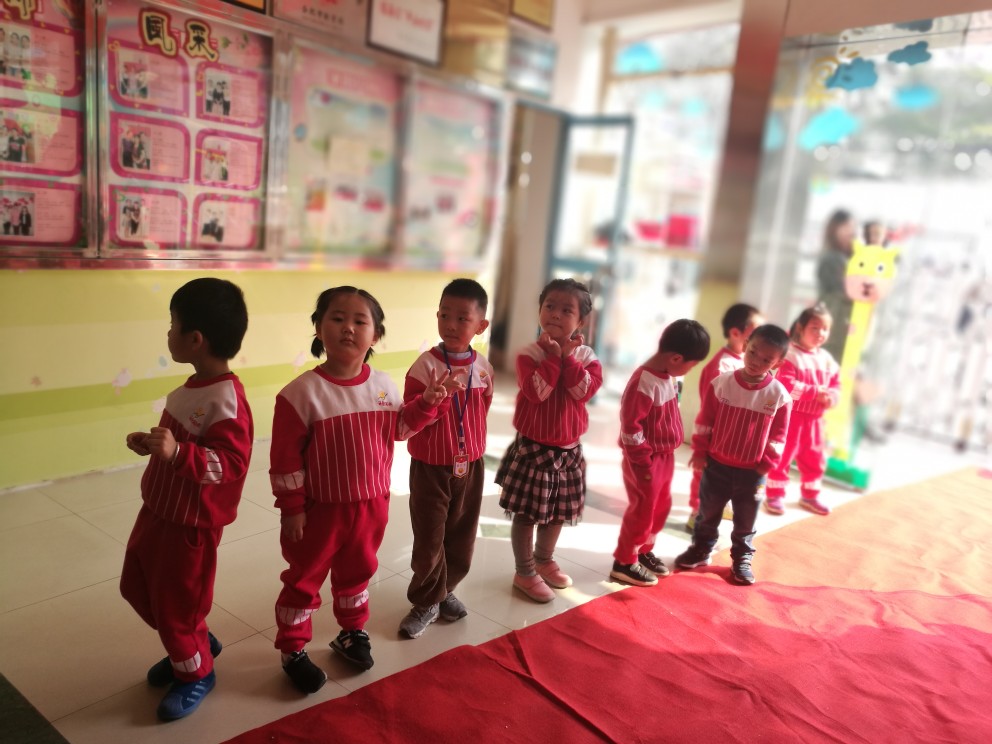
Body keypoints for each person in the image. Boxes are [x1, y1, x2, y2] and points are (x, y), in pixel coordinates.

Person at [270, 286, 453, 693]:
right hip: (318, 512)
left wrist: (428, 403)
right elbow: (285, 462)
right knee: (304, 579)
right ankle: (292, 649)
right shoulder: (299, 395)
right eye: (337, 319)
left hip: (371, 507)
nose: (347, 328)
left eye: (359, 321)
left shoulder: (384, 386)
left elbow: (401, 429)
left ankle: (351, 631)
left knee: (357, 573)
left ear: (376, 335)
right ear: (318, 328)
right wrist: (292, 508)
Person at [120, 278, 252, 721]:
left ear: (195, 340)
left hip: (190, 526)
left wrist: (178, 453)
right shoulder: (191, 388)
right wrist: (152, 445)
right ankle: (195, 642)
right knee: (137, 585)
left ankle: (196, 671)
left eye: (172, 324)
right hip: (157, 510)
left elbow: (230, 465)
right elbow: (179, 448)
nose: (168, 332)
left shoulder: (227, 400)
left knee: (176, 607)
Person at [495, 278, 604, 603]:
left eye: (567, 310)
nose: (555, 314)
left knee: (557, 512)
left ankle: (544, 559)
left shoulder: (587, 357)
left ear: (581, 321)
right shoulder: (529, 354)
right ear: (540, 310)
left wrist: (568, 359)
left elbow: (582, 391)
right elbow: (537, 392)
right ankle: (524, 571)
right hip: (533, 448)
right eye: (550, 306)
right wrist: (555, 358)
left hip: (569, 451)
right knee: (527, 514)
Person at [399, 278, 494, 639]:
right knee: (429, 540)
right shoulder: (424, 366)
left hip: (470, 466)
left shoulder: (483, 368)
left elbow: (482, 409)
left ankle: (445, 590)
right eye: (444, 315)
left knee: (462, 538)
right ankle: (427, 601)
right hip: (430, 467)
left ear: (480, 326)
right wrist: (432, 400)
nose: (451, 325)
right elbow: (408, 419)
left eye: (462, 318)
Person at [675, 325, 792, 585]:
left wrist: (767, 463)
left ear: (778, 363)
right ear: (746, 345)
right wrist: (700, 451)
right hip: (716, 466)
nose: (756, 362)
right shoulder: (722, 384)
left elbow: (779, 436)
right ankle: (701, 549)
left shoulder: (779, 396)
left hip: (753, 473)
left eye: (766, 360)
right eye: (753, 352)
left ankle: (742, 558)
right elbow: (705, 421)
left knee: (745, 521)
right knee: (707, 513)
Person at [610, 319, 710, 587]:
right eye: (692, 365)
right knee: (643, 510)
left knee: (660, 507)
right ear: (676, 358)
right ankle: (624, 561)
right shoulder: (643, 382)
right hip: (645, 459)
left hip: (664, 457)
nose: (690, 371)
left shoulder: (668, 376)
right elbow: (631, 429)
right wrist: (643, 464)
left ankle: (643, 550)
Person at [686, 303, 764, 532]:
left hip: (732, 434)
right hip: (716, 432)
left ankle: (721, 505)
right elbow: (712, 406)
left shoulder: (744, 360)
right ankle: (697, 512)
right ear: (735, 333)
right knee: (706, 473)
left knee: (727, 475)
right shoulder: (722, 365)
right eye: (755, 331)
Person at [764, 304, 840, 516]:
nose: (820, 333)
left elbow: (836, 385)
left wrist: (831, 397)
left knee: (815, 458)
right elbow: (786, 385)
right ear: (800, 327)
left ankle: (810, 495)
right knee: (782, 456)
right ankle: (774, 494)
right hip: (792, 417)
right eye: (815, 327)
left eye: (825, 329)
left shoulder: (827, 359)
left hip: (816, 420)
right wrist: (814, 392)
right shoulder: (790, 355)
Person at [816, 209, 856, 363]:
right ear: (835, 229)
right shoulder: (832, 258)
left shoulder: (844, 257)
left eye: (852, 227)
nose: (850, 232)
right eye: (846, 227)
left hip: (836, 322)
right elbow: (843, 291)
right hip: (834, 322)